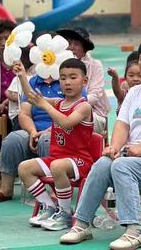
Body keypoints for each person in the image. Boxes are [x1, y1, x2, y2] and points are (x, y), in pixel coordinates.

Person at [60, 37, 141, 250]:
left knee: (122, 166)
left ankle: (134, 230)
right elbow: (122, 125)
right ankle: (82, 224)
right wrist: (114, 147)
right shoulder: (134, 93)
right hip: (136, 159)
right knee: (104, 162)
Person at [18, 58, 93, 231]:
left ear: (84, 81)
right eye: (63, 78)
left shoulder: (84, 107)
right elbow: (33, 97)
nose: (67, 82)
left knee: (57, 166)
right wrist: (22, 75)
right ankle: (49, 206)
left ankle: (66, 213)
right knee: (24, 168)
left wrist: (46, 106)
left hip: (80, 161)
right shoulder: (59, 102)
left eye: (73, 77)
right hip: (56, 158)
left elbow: (66, 123)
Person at [0, 62, 67, 202]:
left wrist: (48, 131)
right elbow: (24, 114)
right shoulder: (34, 81)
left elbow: (70, 115)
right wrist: (32, 132)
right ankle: (6, 189)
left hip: (60, 131)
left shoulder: (67, 81)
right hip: (34, 130)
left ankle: (56, 191)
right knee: (13, 139)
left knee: (47, 140)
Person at [57, 28, 110, 134]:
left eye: (76, 44)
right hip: (63, 110)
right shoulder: (58, 64)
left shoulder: (95, 65)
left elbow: (94, 96)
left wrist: (71, 106)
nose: (71, 48)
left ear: (84, 48)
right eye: (69, 43)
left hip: (93, 113)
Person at [6, 46, 34, 132]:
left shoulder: (19, 78)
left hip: (17, 115)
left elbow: (15, 96)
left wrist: (7, 93)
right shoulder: (34, 78)